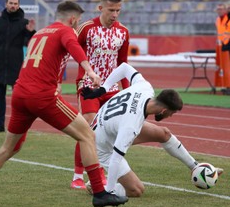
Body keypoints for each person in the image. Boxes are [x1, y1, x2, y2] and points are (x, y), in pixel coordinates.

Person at [0, 1, 128, 207]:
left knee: (8, 148)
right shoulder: (65, 31)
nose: (78, 25)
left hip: (20, 93)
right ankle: (100, 193)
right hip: (41, 95)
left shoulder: (39, 33)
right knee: (87, 135)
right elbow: (74, 47)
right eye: (78, 21)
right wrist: (90, 71)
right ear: (73, 19)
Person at [82, 62, 223, 197]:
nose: (171, 116)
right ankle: (100, 187)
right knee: (136, 190)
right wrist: (109, 192)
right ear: (163, 110)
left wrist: (104, 88)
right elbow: (115, 158)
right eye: (171, 113)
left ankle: (196, 167)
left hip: (110, 125)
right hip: (102, 145)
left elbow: (124, 68)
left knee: (164, 133)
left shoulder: (145, 88)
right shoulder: (131, 125)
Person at [71, 0, 130, 189]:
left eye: (118, 10)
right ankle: (77, 176)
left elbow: (123, 63)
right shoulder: (86, 28)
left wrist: (126, 91)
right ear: (101, 8)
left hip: (111, 89)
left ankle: (100, 173)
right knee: (87, 128)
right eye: (111, 10)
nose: (115, 14)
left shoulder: (123, 32)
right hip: (87, 86)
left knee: (110, 132)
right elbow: (69, 48)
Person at [0, 0, 36, 132]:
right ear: (6, 4)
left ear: (18, 5)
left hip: (16, 63)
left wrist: (31, 33)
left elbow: (29, 42)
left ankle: (17, 125)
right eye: (11, 3)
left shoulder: (24, 22)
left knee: (17, 95)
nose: (13, 5)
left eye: (15, 3)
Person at [215, 3, 230, 95]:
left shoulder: (227, 18)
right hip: (221, 45)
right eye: (218, 9)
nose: (219, 11)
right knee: (222, 67)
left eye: (221, 9)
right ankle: (224, 85)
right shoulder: (217, 20)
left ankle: (227, 85)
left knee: (227, 67)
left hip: (226, 44)